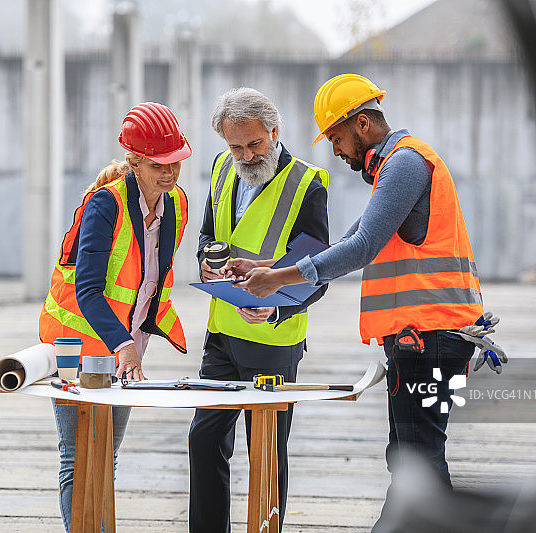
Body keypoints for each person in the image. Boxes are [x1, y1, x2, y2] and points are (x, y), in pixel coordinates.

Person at [232, 74, 485, 529]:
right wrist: (267, 267)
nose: (335, 150)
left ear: (362, 123)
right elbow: (354, 237)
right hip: (425, 338)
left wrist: (279, 279)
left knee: (417, 462)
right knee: (415, 460)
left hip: (428, 338)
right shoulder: (396, 166)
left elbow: (363, 246)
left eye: (336, 137)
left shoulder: (405, 164)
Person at [38, 102, 191, 532]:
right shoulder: (106, 205)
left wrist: (133, 344)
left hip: (127, 348)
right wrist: (124, 347)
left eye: (175, 162)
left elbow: (152, 278)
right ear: (136, 162)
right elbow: (87, 290)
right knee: (77, 452)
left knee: (107, 451)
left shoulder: (176, 202)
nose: (169, 173)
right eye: (159, 164)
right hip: (77, 343)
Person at [188, 87, 330, 532]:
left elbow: (318, 273)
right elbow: (208, 235)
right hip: (223, 335)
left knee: (266, 452)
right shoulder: (220, 169)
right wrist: (207, 264)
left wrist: (274, 312)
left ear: (274, 131)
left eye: (254, 144)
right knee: (204, 440)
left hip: (273, 341)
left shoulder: (307, 184)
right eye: (235, 147)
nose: (246, 155)